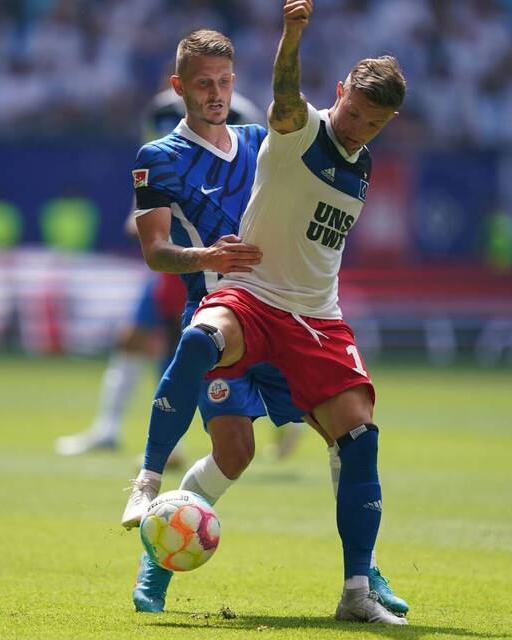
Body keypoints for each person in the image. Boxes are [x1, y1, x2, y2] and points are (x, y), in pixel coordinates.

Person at [122, 18, 409, 623]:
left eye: (225, 80)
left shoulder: (262, 139)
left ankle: (364, 569)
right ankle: (157, 543)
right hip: (229, 307)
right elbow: (153, 252)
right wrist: (208, 257)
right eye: (204, 83)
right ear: (180, 86)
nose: (217, 93)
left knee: (351, 435)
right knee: (234, 450)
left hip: (297, 315)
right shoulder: (161, 157)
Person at [53, 87, 263, 458]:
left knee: (190, 351)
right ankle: (110, 427)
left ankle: (183, 440)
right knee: (134, 338)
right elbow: (155, 178)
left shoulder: (242, 119)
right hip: (174, 262)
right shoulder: (162, 120)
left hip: (211, 265)